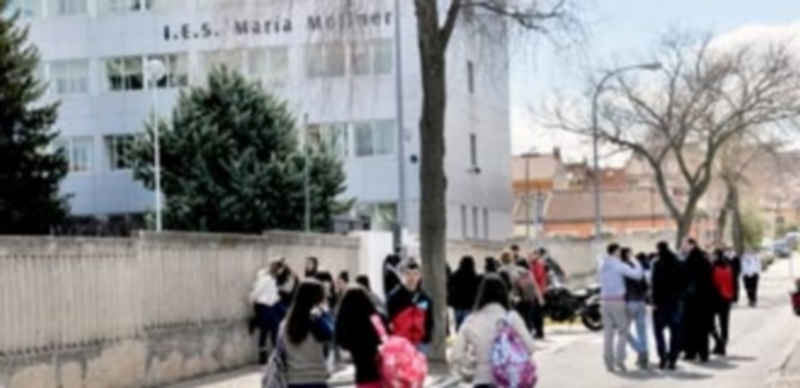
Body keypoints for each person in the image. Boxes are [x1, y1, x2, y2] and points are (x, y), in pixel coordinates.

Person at [451, 274, 536, 387]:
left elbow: (456, 355)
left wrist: (473, 365)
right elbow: (530, 347)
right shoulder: (511, 318)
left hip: (482, 379)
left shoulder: (471, 320)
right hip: (508, 380)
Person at [280, 280, 334, 388]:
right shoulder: (317, 321)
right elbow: (331, 334)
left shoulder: (285, 324)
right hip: (316, 379)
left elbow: (280, 350)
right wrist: (323, 312)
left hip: (293, 380)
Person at [599, 243, 644, 372]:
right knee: (623, 332)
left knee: (608, 334)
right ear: (616, 251)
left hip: (604, 301)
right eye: (619, 251)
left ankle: (608, 363)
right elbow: (638, 275)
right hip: (618, 301)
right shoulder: (619, 265)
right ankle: (620, 360)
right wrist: (634, 260)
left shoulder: (602, 265)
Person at [336, 286, 385, 388]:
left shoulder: (349, 326)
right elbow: (384, 336)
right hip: (381, 372)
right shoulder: (375, 318)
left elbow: (341, 340)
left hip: (362, 375)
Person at [651, 241, 687, 370]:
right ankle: (673, 359)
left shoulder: (657, 264)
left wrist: (654, 302)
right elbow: (685, 282)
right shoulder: (678, 263)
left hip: (660, 303)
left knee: (659, 332)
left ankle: (662, 357)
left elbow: (655, 284)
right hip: (676, 303)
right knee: (675, 332)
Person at [387, 260, 434, 354]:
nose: (412, 277)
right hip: (400, 344)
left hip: (420, 344)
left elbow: (429, 320)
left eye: (415, 274)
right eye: (408, 274)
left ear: (420, 276)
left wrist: (427, 338)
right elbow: (388, 320)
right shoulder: (394, 297)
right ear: (402, 275)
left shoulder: (424, 298)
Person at [682, 238, 714, 363]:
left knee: (690, 327)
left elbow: (683, 280)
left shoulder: (689, 261)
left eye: (685, 245)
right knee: (702, 327)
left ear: (692, 245)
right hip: (704, 300)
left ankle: (691, 352)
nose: (684, 248)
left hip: (690, 300)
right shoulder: (704, 261)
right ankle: (703, 353)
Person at [622, 248, 649, 369]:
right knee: (641, 331)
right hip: (641, 301)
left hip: (629, 302)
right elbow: (646, 285)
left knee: (623, 330)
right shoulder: (639, 267)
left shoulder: (623, 268)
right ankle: (643, 355)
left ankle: (640, 351)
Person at [249, 265, 280, 364]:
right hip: (262, 305)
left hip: (268, 306)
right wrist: (251, 299)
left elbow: (273, 294)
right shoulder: (265, 279)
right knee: (268, 328)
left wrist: (276, 300)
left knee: (267, 329)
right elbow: (258, 291)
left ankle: (266, 355)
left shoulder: (272, 280)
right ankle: (265, 355)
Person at [711, 249, 735, 356]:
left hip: (715, 299)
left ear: (715, 256)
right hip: (727, 299)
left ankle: (718, 341)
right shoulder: (729, 267)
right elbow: (734, 283)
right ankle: (723, 345)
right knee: (724, 324)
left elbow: (711, 284)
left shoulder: (713, 267)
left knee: (710, 323)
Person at [448, 256, 481, 330]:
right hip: (470, 306)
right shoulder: (475, 277)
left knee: (459, 325)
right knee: (470, 326)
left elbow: (450, 289)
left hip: (458, 305)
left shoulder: (455, 276)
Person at [528, 251, 549, 339]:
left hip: (538, 291)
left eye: (532, 255)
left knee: (537, 313)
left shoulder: (538, 265)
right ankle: (537, 331)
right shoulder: (532, 265)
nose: (530, 257)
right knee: (534, 313)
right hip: (534, 292)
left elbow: (538, 278)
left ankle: (539, 331)